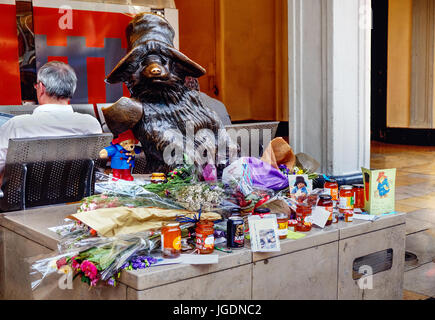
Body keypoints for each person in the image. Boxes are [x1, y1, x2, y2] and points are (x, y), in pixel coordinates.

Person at [0, 61, 102, 182]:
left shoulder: (18, 125)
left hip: (21, 199)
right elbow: (96, 165)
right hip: (76, 198)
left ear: (41, 87)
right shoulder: (90, 124)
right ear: (71, 89)